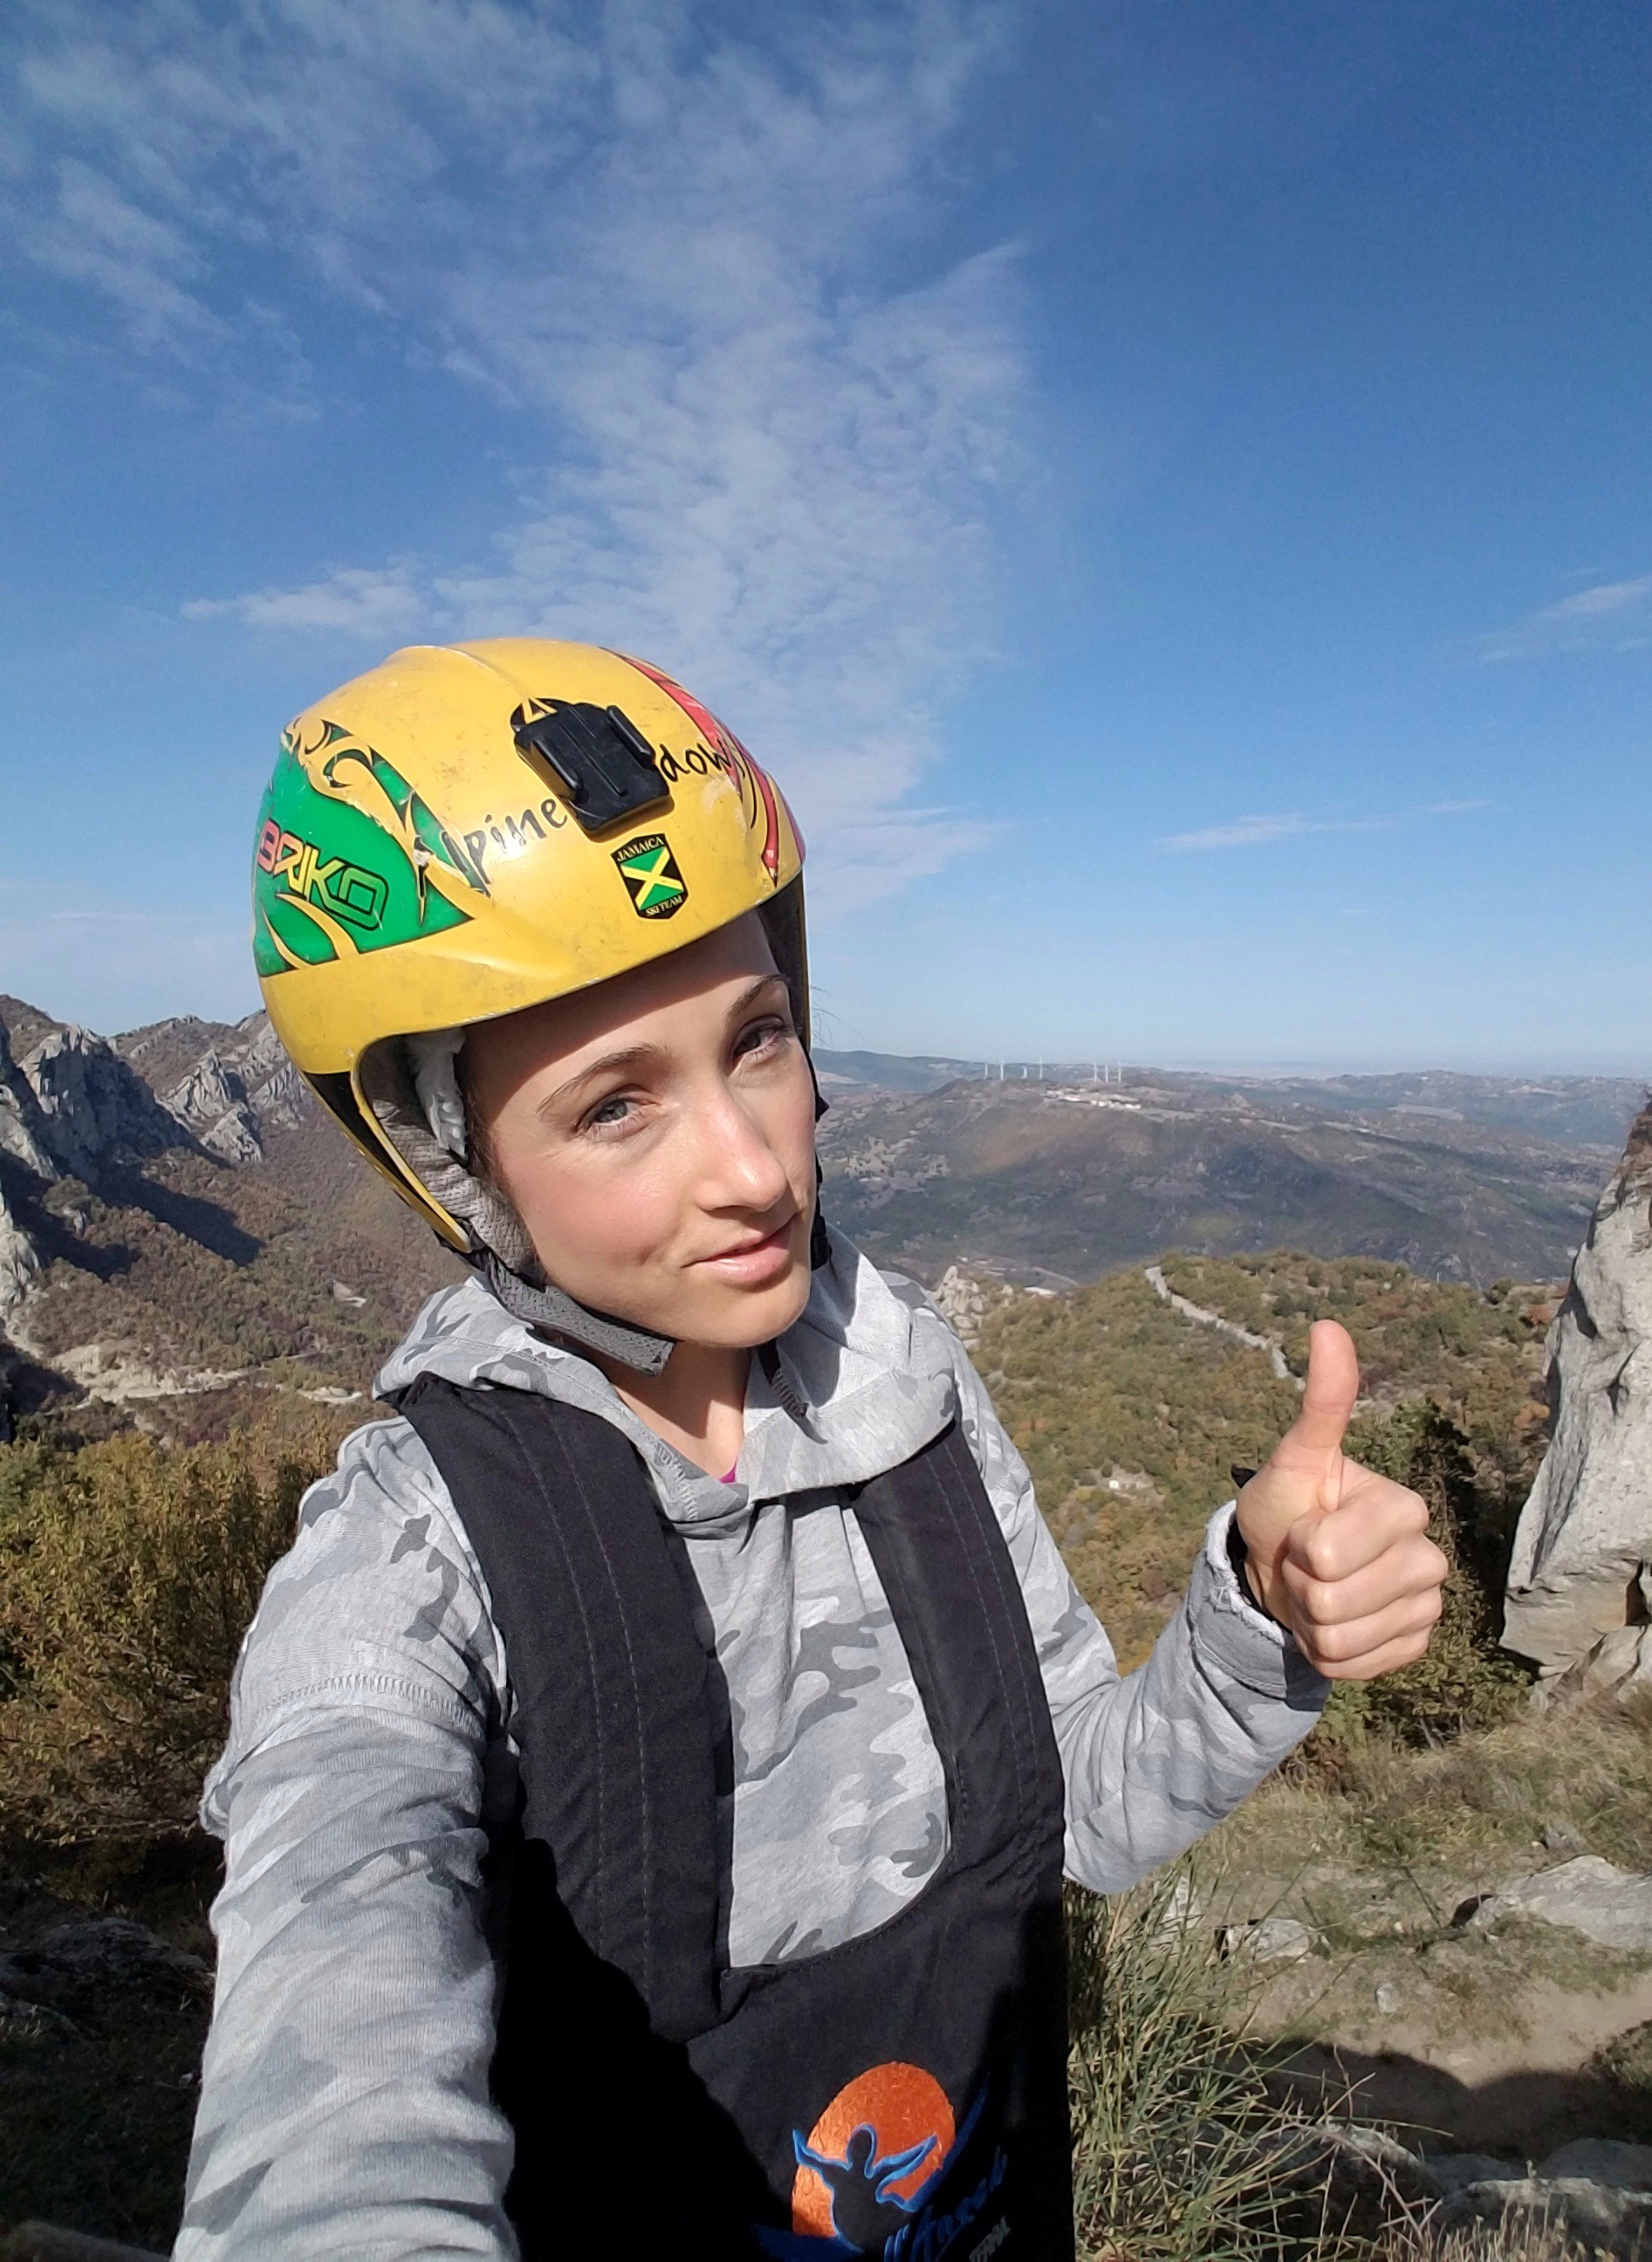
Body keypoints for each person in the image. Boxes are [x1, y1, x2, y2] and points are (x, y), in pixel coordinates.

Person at [176, 639, 1448, 2262]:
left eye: (758, 1038)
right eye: (615, 1105)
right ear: (454, 1166)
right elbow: (330, 2089)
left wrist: (1258, 1625)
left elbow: (1072, 1817)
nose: (752, 1167)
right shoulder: (406, 1570)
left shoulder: (901, 1389)